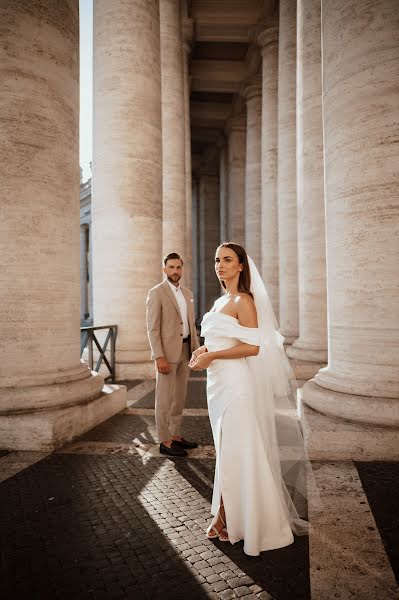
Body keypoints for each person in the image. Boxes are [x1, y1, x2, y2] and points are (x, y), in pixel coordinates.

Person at [189, 242, 311, 556]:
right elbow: (225, 339)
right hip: (216, 384)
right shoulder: (219, 302)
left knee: (239, 450)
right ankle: (230, 516)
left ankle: (242, 521)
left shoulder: (244, 300)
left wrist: (213, 354)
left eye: (227, 260)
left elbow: (254, 347)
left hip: (235, 385)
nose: (220, 265)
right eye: (217, 260)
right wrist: (205, 351)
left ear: (241, 265)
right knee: (227, 451)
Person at [146, 252, 200, 457]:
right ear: (164, 269)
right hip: (167, 354)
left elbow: (190, 326)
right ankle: (165, 441)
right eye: (171, 267)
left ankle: (176, 435)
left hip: (185, 351)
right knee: (164, 399)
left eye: (178, 267)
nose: (175, 271)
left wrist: (195, 350)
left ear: (182, 269)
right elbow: (152, 329)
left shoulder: (187, 293)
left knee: (179, 397)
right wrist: (158, 356)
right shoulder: (157, 293)